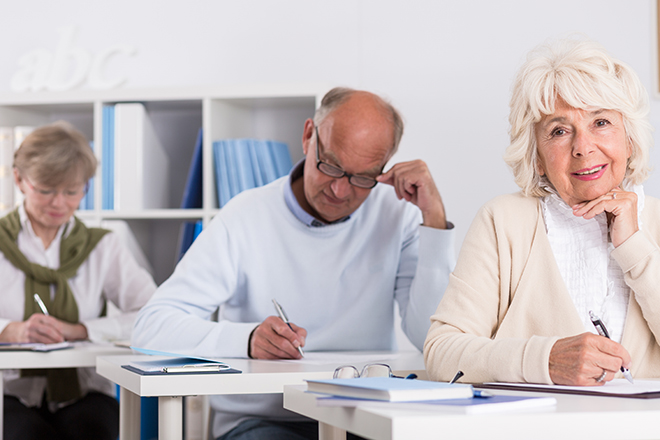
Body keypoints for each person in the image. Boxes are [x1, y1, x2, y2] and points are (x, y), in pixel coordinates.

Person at [133, 87, 455, 439]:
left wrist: (434, 222)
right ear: (307, 137)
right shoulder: (245, 215)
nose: (340, 191)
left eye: (363, 178)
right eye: (330, 165)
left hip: (363, 416)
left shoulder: (399, 215)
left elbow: (433, 339)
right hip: (264, 421)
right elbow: (152, 326)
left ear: (384, 169)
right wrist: (248, 339)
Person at [424, 38, 660, 387]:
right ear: (536, 156)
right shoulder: (503, 220)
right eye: (560, 131)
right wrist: (544, 361)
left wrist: (634, 246)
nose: (583, 148)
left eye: (601, 122)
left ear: (629, 138)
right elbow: (441, 352)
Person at [0, 122, 157, 440]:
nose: (59, 203)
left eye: (72, 191)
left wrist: (82, 330)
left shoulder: (103, 246)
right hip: (8, 393)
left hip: (85, 392)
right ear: (18, 179)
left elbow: (153, 314)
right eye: (45, 190)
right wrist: (11, 329)